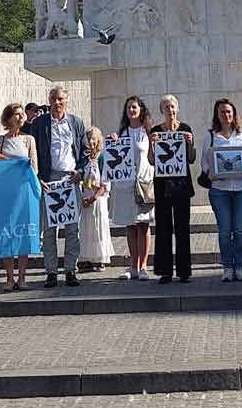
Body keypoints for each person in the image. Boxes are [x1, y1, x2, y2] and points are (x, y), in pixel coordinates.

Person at [28, 85, 88, 287]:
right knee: (49, 230)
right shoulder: (39, 124)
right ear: (49, 100)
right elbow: (32, 152)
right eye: (53, 98)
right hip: (49, 179)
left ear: (66, 101)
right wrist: (38, 178)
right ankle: (51, 271)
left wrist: (80, 172)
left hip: (70, 180)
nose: (56, 102)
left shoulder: (76, 123)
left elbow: (85, 152)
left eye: (60, 99)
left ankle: (71, 270)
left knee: (72, 229)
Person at [200, 97, 242, 281]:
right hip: (219, 190)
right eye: (222, 111)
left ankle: (239, 267)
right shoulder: (210, 135)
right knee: (224, 230)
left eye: (229, 111)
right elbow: (205, 163)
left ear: (234, 114)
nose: (226, 114)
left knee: (239, 230)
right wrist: (211, 173)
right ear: (217, 114)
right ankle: (227, 268)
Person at [148, 94, 197, 284]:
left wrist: (190, 143)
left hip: (182, 186)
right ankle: (165, 271)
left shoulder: (185, 129)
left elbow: (191, 158)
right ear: (162, 110)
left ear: (177, 109)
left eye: (172, 107)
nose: (170, 110)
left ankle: (184, 271)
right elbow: (152, 160)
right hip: (162, 186)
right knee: (163, 228)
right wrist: (152, 144)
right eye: (166, 107)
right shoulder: (155, 131)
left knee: (183, 228)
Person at [111, 96, 155, 280]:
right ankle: (133, 266)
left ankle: (144, 266)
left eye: (134, 107)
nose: (131, 110)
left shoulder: (148, 132)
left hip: (144, 182)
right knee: (130, 224)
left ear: (141, 109)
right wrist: (113, 142)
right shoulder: (123, 133)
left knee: (143, 224)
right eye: (128, 107)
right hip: (126, 184)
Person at [0, 103, 38, 291]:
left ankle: (22, 277)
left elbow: (34, 168)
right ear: (8, 118)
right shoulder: (1, 141)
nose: (20, 118)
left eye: (22, 115)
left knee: (22, 233)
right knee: (7, 234)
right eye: (16, 115)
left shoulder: (29, 139)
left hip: (23, 193)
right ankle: (9, 278)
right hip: (5, 194)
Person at [80, 126, 114, 270]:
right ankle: (88, 257)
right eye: (88, 139)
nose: (91, 142)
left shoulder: (103, 157)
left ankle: (100, 258)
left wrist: (94, 198)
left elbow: (105, 182)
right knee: (87, 228)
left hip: (98, 198)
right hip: (86, 196)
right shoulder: (84, 159)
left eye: (93, 138)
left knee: (99, 227)